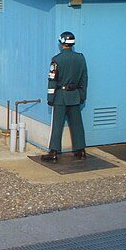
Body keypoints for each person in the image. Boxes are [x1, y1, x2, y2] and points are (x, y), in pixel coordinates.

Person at [42, 31, 88, 163]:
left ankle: (54, 152)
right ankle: (80, 150)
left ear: (62, 43)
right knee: (77, 124)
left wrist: (50, 97)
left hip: (60, 96)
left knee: (57, 124)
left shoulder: (57, 59)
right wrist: (82, 95)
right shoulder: (80, 58)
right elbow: (84, 78)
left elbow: (52, 80)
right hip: (75, 95)